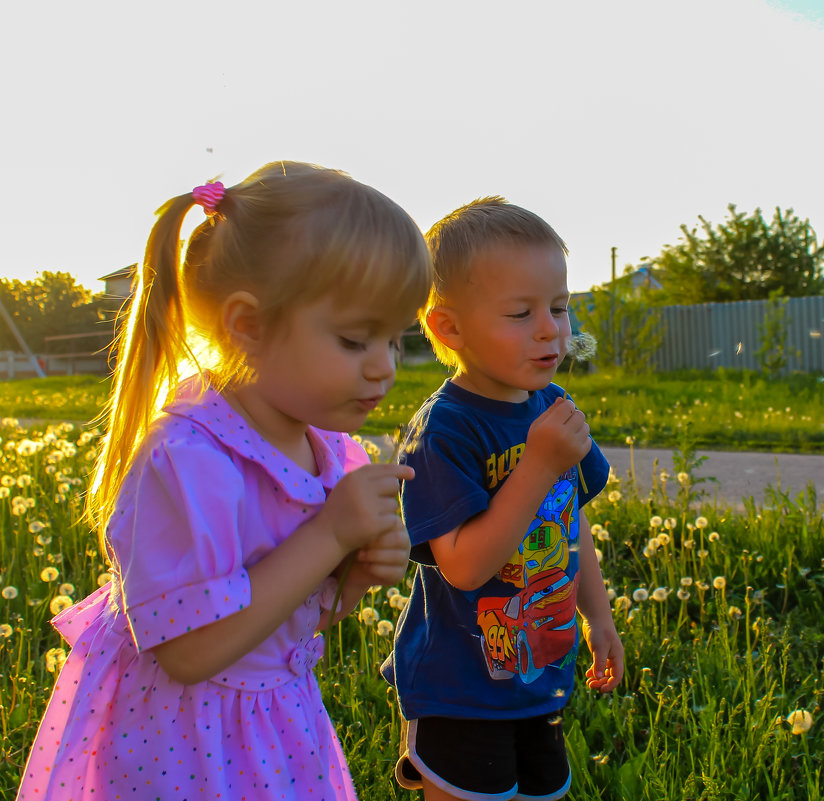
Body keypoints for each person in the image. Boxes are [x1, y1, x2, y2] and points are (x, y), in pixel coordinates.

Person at [16, 161, 431, 800]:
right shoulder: (188, 460)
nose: (385, 369)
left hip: (274, 725)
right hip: (183, 744)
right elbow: (190, 653)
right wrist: (330, 536)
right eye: (354, 340)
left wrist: (353, 575)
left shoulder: (327, 450)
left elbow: (292, 624)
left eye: (396, 341)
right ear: (248, 325)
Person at [372, 197, 624, 801]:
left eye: (560, 308)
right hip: (461, 684)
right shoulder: (446, 430)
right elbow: (463, 566)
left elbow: (570, 522)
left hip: (537, 671)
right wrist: (537, 465)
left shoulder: (551, 406)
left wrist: (599, 615)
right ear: (448, 328)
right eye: (520, 313)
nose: (550, 329)